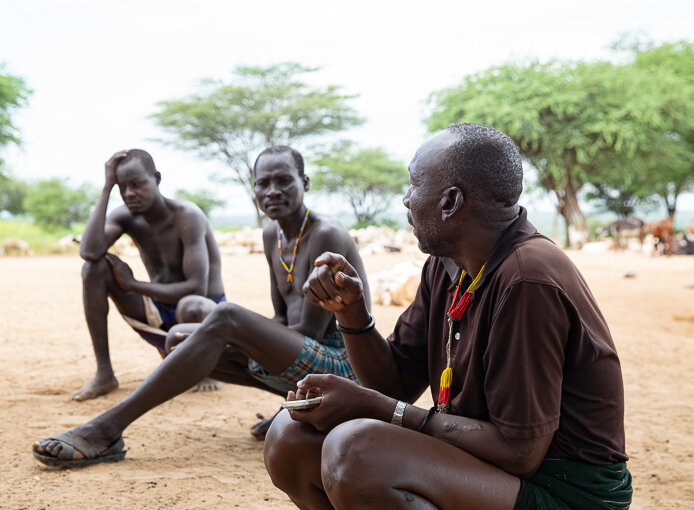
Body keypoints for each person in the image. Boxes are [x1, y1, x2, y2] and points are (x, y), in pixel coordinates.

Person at [264, 124, 632, 510]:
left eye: (413, 184)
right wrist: (352, 313)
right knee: (290, 437)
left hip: (564, 490)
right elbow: (395, 383)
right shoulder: (448, 265)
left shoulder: (527, 279)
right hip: (494, 467)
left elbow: (519, 451)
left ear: (450, 202)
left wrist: (375, 408)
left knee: (358, 452)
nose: (406, 200)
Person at [32, 145, 370, 467]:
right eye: (263, 183)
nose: (272, 191)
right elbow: (282, 317)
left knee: (224, 317)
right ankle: (297, 407)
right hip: (305, 356)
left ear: (305, 184)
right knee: (180, 338)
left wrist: (235, 333)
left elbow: (311, 331)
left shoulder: (324, 233)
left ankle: (105, 429)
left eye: (284, 181)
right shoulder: (272, 234)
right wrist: (230, 337)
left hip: (342, 366)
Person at [72, 148, 225, 401]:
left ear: (157, 178)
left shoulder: (187, 215)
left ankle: (208, 366)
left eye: (137, 184)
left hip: (202, 315)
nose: (129, 193)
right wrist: (106, 188)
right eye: (122, 187)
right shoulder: (126, 216)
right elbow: (89, 251)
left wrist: (134, 285)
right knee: (93, 269)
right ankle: (104, 374)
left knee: (192, 304)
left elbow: (196, 289)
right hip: (159, 311)